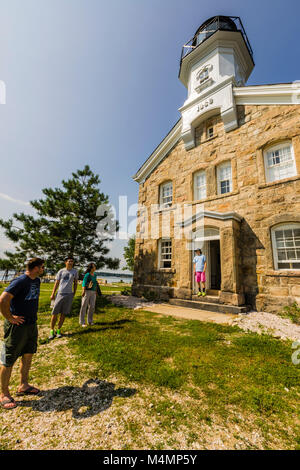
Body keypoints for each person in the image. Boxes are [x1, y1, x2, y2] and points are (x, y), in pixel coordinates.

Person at [0, 257, 45, 410]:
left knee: (28, 354)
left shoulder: (36, 281)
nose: (43, 270)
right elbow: (3, 300)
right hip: (17, 327)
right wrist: (10, 318)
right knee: (9, 358)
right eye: (42, 267)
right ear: (36, 268)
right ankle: (4, 393)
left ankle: (23, 385)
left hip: (31, 325)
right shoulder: (20, 281)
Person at [49, 256, 78, 339]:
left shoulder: (75, 271)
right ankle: (51, 330)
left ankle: (58, 330)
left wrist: (74, 293)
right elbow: (56, 283)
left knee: (63, 313)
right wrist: (53, 293)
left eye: (72, 261)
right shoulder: (61, 271)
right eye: (69, 261)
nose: (70, 262)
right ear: (65, 262)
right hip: (60, 294)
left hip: (69, 294)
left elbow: (75, 283)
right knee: (54, 313)